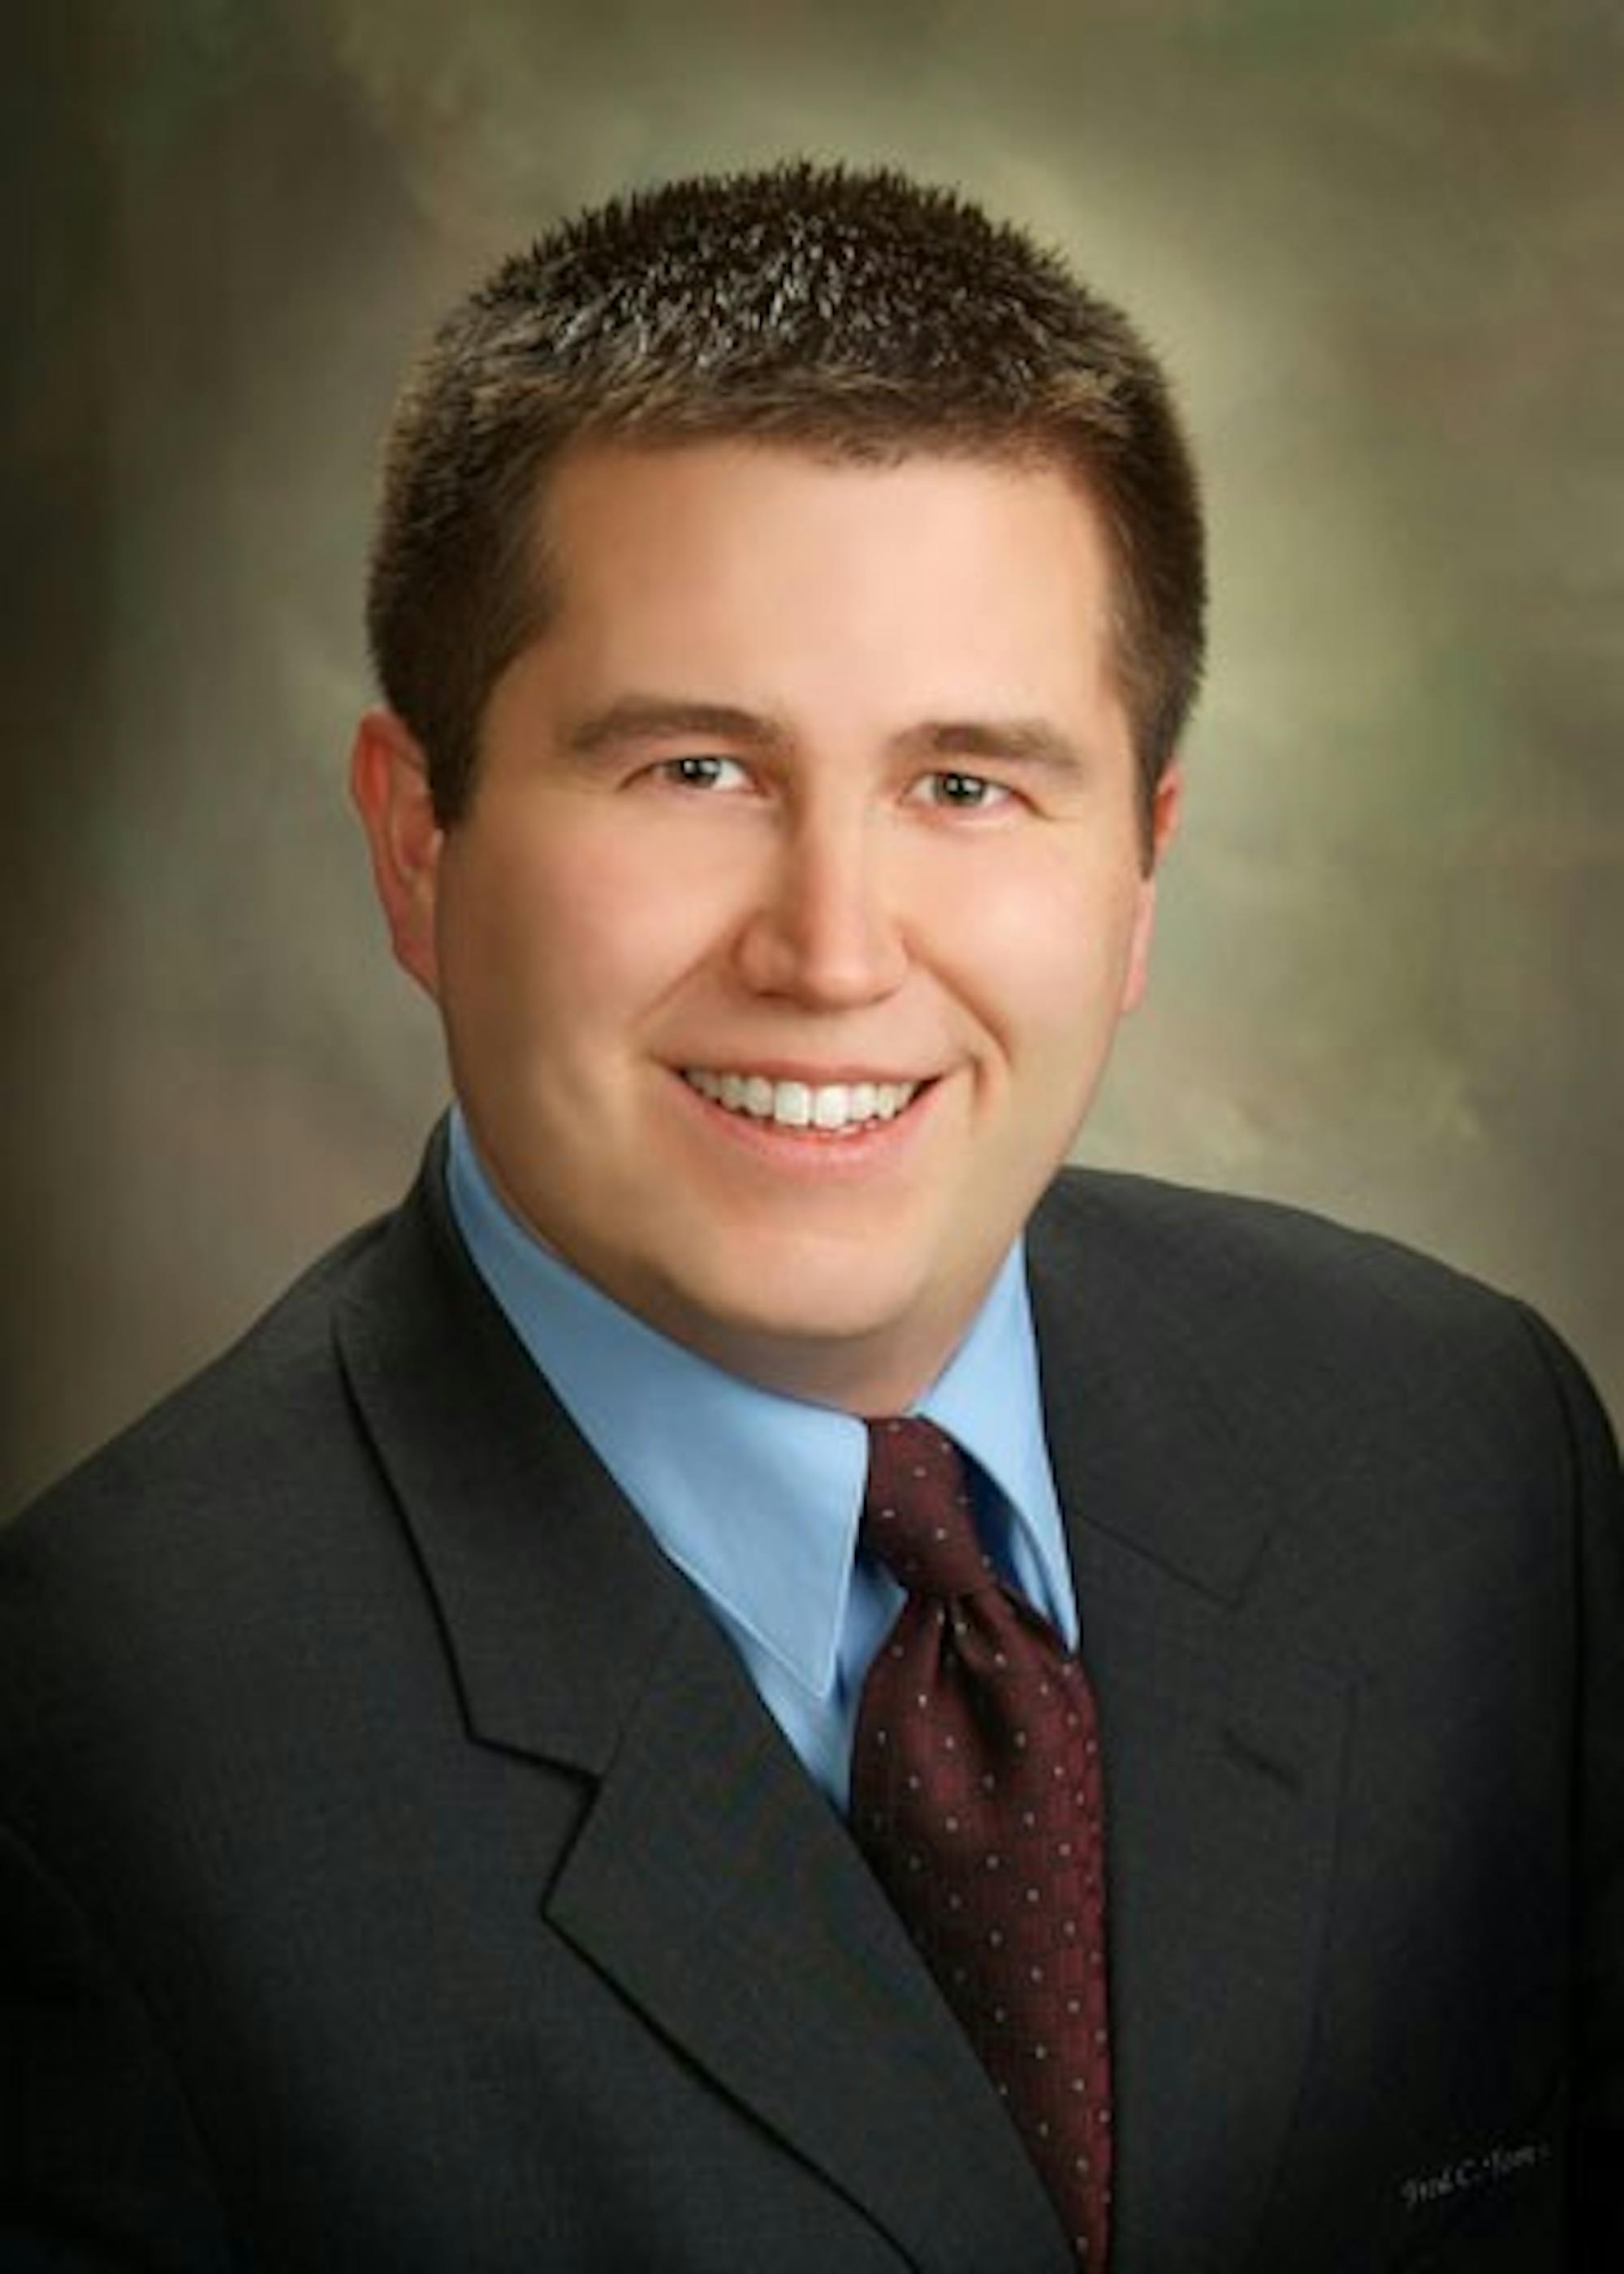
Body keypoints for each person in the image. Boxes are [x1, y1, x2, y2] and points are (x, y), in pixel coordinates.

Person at [1, 162, 1618, 2274]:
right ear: (417, 847)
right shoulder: (86, 1768)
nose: (833, 952)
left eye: (967, 784)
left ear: (1141, 874)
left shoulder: (1466, 1462)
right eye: (694, 770)